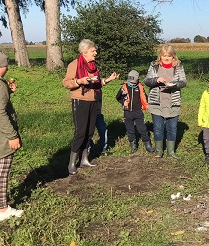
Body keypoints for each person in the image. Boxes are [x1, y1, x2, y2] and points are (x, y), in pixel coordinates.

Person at [62, 39, 118, 175]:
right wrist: (79, 81)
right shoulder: (74, 65)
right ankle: (71, 163)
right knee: (80, 132)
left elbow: (96, 83)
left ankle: (84, 159)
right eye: (93, 51)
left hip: (94, 100)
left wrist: (108, 80)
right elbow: (66, 83)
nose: (96, 53)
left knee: (90, 131)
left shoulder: (93, 66)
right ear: (85, 52)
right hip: (80, 100)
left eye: (95, 50)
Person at [0, 48, 23, 221]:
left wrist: (8, 93)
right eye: (6, 63)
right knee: (0, 174)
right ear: (1, 65)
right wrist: (12, 135)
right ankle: (2, 210)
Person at [145, 44, 187, 158]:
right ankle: (159, 151)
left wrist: (174, 85)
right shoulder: (154, 66)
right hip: (157, 102)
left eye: (169, 55)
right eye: (164, 56)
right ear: (160, 56)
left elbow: (183, 82)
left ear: (173, 56)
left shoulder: (178, 67)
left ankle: (171, 152)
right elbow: (147, 81)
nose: (166, 58)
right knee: (158, 128)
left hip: (173, 101)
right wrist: (156, 80)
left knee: (172, 128)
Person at [116, 70, 154, 154]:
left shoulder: (140, 87)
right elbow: (118, 97)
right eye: (131, 82)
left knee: (142, 129)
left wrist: (147, 105)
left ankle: (147, 144)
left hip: (138, 112)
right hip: (127, 112)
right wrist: (123, 103)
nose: (132, 84)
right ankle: (133, 145)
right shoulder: (124, 87)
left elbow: (145, 98)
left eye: (134, 82)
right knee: (130, 130)